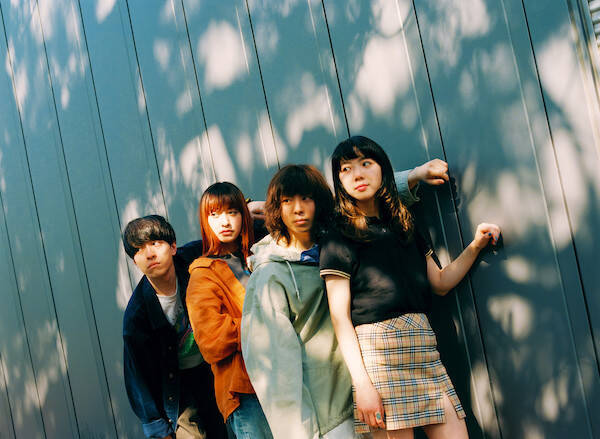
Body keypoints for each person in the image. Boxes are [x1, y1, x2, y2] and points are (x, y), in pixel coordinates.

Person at [241, 160, 446, 439]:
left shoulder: (337, 244)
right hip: (327, 421)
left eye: (306, 198)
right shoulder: (270, 276)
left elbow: (368, 193)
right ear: (275, 209)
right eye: (287, 201)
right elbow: (273, 369)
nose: (298, 208)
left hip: (370, 397)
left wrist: (415, 176)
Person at [320, 136, 501, 439]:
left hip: (423, 348)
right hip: (377, 356)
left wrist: (476, 245)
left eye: (366, 163)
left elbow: (440, 283)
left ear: (383, 169)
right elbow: (340, 318)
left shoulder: (403, 224)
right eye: (346, 169)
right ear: (339, 180)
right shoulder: (338, 236)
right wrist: (362, 385)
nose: (357, 175)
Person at [122, 215, 228, 439]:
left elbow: (226, 238)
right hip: (178, 388)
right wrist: (158, 429)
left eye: (155, 243)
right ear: (134, 262)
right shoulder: (137, 317)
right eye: (139, 250)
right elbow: (138, 378)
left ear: (172, 247)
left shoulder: (190, 259)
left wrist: (248, 209)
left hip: (215, 368)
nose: (149, 254)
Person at [186, 182, 273, 439]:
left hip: (283, 376)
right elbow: (212, 341)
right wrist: (267, 322)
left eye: (232, 212)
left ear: (244, 215)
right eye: (214, 214)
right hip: (245, 391)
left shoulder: (263, 254)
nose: (224, 221)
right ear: (205, 220)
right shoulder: (203, 273)